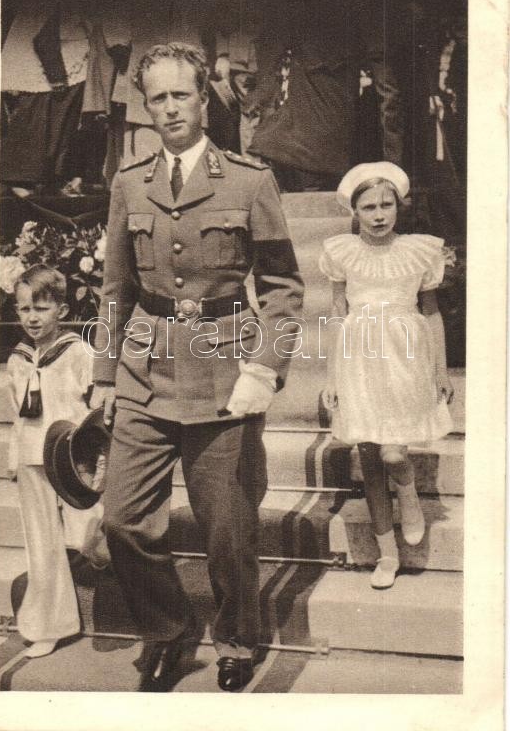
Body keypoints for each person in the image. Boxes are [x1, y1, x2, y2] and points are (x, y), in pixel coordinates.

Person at [90, 42, 304, 691]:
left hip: (223, 374)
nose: (170, 107)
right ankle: (168, 630)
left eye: (181, 94)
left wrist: (263, 368)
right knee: (123, 518)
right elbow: (115, 289)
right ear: (146, 106)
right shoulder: (129, 183)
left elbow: (283, 289)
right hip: (144, 369)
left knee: (227, 529)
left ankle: (237, 637)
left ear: (204, 99)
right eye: (157, 97)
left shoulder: (248, 180)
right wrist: (104, 375)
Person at [319, 162, 454, 589]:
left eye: (386, 205)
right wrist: (331, 377)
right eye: (368, 207)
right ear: (354, 211)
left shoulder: (419, 250)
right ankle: (387, 554)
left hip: (404, 354)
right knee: (370, 459)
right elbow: (337, 313)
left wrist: (440, 370)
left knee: (393, 453)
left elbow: (431, 314)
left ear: (398, 206)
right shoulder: (342, 252)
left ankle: (409, 494)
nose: (378, 215)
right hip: (359, 357)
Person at [7, 264, 108, 658]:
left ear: (62, 310)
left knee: (89, 529)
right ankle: (51, 625)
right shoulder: (18, 360)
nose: (32, 318)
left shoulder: (77, 353)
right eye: (24, 309)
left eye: (41, 308)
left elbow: (98, 407)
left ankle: (105, 559)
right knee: (42, 544)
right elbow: (19, 415)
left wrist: (97, 455)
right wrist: (15, 458)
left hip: (72, 458)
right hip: (33, 456)